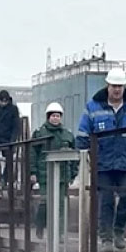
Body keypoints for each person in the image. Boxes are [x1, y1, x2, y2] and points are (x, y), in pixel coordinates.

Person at [75, 67, 126, 251]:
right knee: (105, 200)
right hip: (103, 163)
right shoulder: (93, 107)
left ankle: (118, 230)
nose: (117, 90)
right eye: (114, 86)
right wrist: (85, 156)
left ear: (124, 87)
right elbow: (83, 134)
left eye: (120, 86)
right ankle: (106, 237)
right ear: (107, 86)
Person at [30, 102, 78, 239]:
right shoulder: (40, 134)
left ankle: (59, 233)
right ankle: (40, 225)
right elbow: (33, 154)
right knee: (45, 203)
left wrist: (73, 173)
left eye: (58, 116)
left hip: (63, 176)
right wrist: (32, 172)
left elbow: (75, 156)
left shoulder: (67, 135)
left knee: (61, 205)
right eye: (53, 116)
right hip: (45, 175)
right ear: (48, 117)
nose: (56, 118)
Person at [0, 89, 21, 189]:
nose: (3, 103)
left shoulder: (13, 109)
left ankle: (5, 178)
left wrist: (13, 140)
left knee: (9, 157)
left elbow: (16, 126)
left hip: (8, 137)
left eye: (5, 101)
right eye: (1, 101)